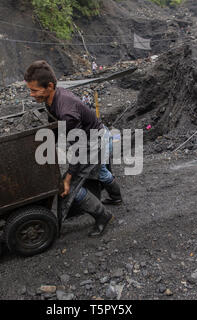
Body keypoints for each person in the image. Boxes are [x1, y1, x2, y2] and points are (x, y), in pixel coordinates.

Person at [24, 60, 123, 237]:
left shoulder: (67, 112)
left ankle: (103, 216)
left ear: (50, 86)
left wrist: (68, 179)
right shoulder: (52, 98)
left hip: (93, 142)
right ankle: (116, 197)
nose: (31, 94)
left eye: (34, 90)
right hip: (97, 134)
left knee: (70, 188)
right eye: (30, 90)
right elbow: (55, 127)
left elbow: (79, 151)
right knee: (100, 172)